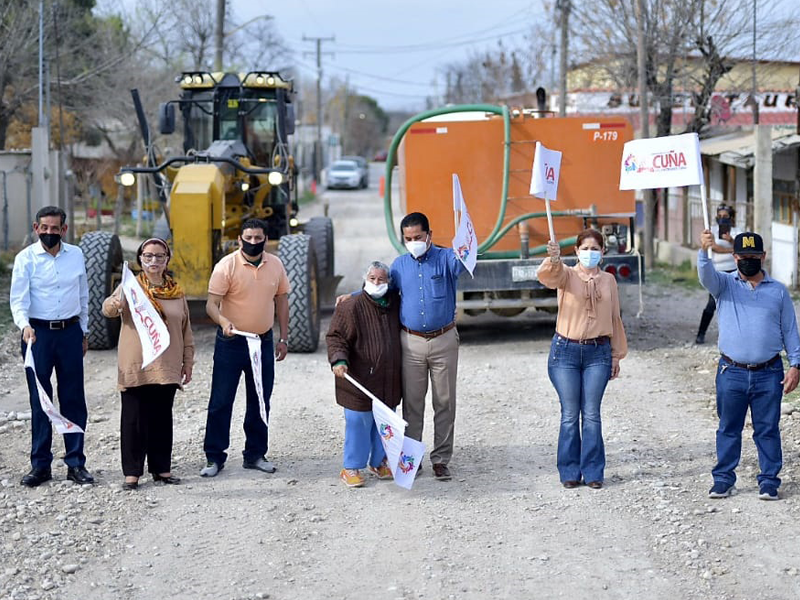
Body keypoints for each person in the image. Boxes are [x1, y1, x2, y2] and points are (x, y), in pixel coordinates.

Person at [698, 230, 800, 501]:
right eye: (743, 256)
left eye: (754, 256)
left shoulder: (778, 291)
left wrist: (796, 365)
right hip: (731, 372)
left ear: (763, 257)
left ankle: (769, 481)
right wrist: (703, 251)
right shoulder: (724, 285)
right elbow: (705, 276)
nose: (748, 260)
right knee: (728, 427)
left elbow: (790, 330)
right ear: (734, 257)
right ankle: (723, 480)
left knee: (767, 429)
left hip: (769, 373)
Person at [9, 206, 94, 487]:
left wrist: (84, 331)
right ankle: (40, 465)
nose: (48, 233)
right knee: (40, 401)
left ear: (64, 230)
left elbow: (83, 295)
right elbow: (18, 299)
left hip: (69, 333)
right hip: (38, 336)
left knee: (73, 399)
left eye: (54, 228)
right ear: (36, 229)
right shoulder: (26, 259)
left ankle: (75, 463)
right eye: (43, 228)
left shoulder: (77, 255)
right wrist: (24, 326)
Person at [537, 229, 628, 490]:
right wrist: (553, 258)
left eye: (594, 248)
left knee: (591, 414)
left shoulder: (609, 280)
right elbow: (547, 276)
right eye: (585, 248)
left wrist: (615, 355)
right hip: (565, 351)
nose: (590, 253)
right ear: (576, 251)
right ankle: (569, 471)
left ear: (602, 252)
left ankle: (593, 471)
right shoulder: (567, 275)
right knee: (569, 414)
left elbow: (614, 318)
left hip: (598, 353)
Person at [101, 238, 195, 490]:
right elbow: (107, 309)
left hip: (167, 363)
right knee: (133, 419)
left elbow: (185, 330)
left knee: (161, 418)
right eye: (148, 256)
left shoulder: (177, 291)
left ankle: (162, 469)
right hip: (137, 364)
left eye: (160, 256)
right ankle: (132, 473)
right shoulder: (130, 288)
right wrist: (116, 303)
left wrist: (188, 361)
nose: (154, 261)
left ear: (167, 259)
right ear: (140, 259)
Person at [201, 218, 290, 477]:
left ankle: (255, 454)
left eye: (258, 238)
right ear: (239, 239)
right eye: (248, 238)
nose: (253, 242)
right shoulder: (226, 266)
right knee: (221, 400)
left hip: (261, 342)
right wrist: (222, 321)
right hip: (231, 342)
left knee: (260, 400)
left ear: (265, 239)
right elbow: (211, 305)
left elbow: (282, 301)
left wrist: (283, 337)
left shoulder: (275, 265)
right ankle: (214, 457)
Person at [392, 212, 465, 481]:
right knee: (412, 404)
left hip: (444, 339)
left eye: (418, 237)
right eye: (408, 238)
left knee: (445, 402)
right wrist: (352, 297)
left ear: (429, 235)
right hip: (411, 343)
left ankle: (441, 459)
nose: (413, 242)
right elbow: (380, 290)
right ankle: (412, 459)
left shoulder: (446, 259)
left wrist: (466, 244)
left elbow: (465, 263)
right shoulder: (399, 266)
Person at [326, 261, 402, 487]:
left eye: (381, 279)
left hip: (388, 378)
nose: (377, 283)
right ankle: (351, 467)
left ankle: (379, 462)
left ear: (389, 282)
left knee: (385, 422)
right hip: (358, 380)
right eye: (372, 279)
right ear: (365, 280)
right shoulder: (351, 306)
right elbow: (335, 336)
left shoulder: (395, 303)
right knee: (358, 421)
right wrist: (339, 359)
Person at [695, 204, 742, 344]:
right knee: (711, 304)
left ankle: (736, 336)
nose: (722, 219)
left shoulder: (739, 231)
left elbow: (741, 247)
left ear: (731, 218)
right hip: (718, 271)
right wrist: (732, 250)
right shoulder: (712, 230)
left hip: (734, 271)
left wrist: (732, 241)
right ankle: (701, 333)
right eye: (719, 216)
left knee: (735, 305)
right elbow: (713, 247)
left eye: (725, 217)